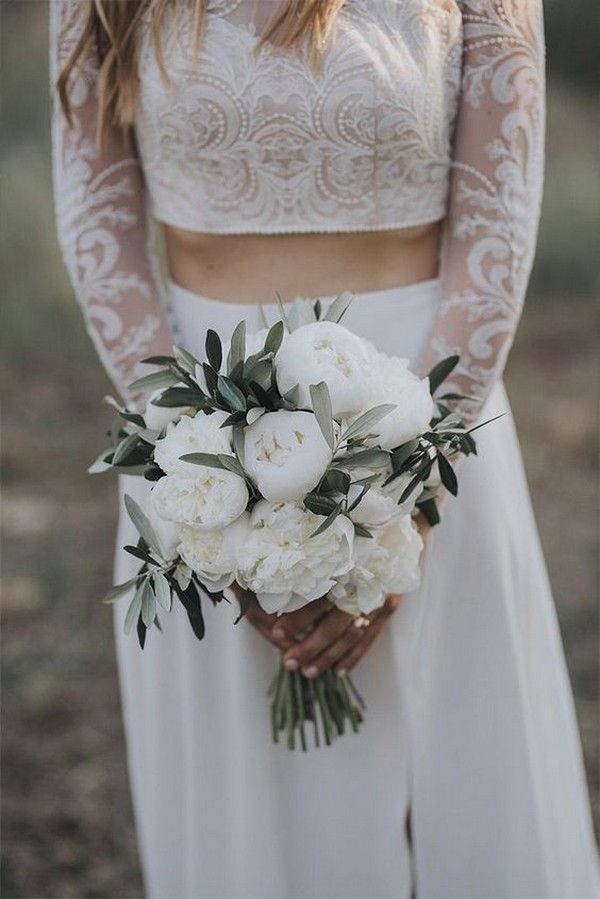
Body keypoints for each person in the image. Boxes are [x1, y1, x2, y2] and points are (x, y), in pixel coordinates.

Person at [51, 2, 598, 896]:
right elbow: (98, 222)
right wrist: (196, 467)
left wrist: (407, 504)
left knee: (452, 791)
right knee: (253, 821)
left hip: (424, 414)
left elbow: (496, 228)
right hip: (196, 421)